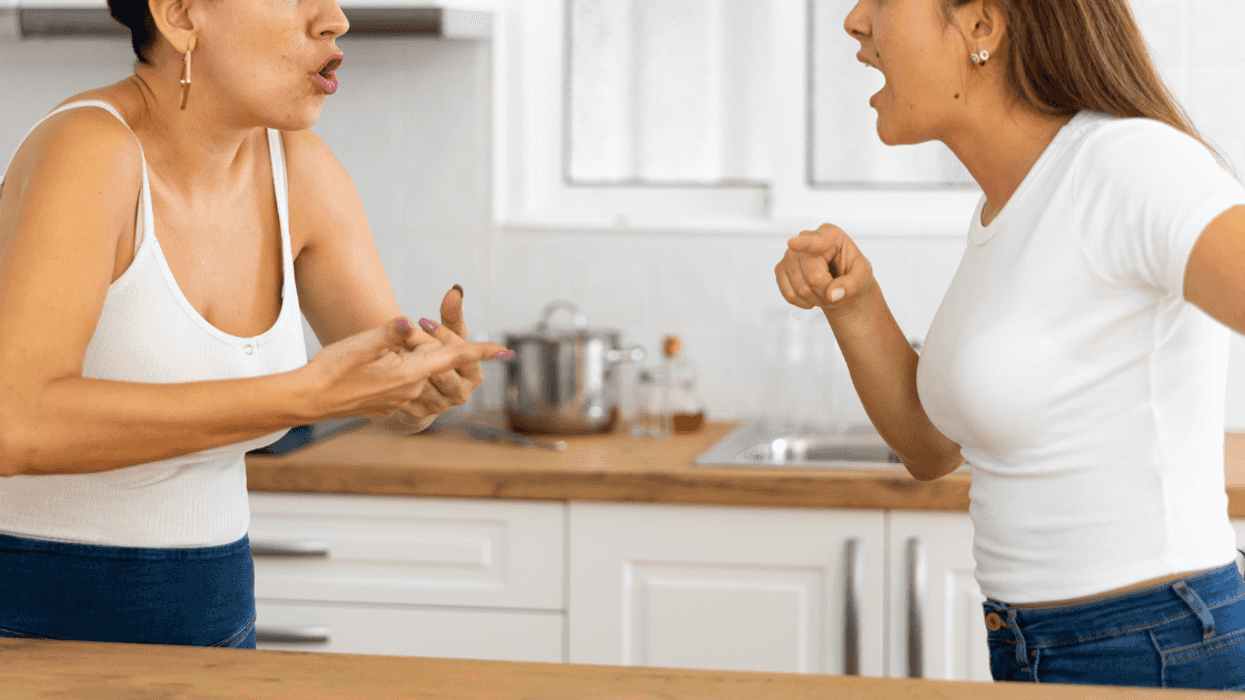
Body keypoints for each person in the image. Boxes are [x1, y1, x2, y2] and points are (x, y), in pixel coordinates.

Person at [0, 0, 511, 648]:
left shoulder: (299, 167)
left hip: (219, 605)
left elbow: (379, 375)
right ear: (181, 14)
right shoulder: (91, 148)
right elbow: (15, 424)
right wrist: (305, 396)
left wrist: (418, 393)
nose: (334, 19)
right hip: (37, 614)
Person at [776, 0, 1245, 689]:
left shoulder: (1129, 163)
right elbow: (931, 449)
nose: (854, 19)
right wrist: (854, 303)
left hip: (1152, 645)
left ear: (980, 28)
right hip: (1037, 644)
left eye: (882, 1)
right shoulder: (1016, 205)